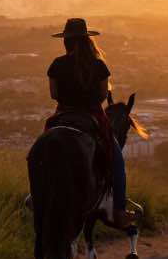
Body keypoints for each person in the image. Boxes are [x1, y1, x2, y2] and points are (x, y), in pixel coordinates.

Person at [44, 18, 135, 228]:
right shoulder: (99, 65)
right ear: (86, 40)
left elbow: (53, 94)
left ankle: (35, 195)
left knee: (43, 148)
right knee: (116, 159)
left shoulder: (57, 64)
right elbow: (103, 95)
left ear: (66, 41)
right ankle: (119, 211)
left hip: (63, 115)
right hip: (92, 116)